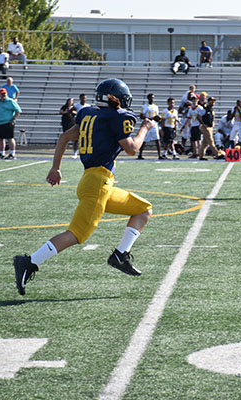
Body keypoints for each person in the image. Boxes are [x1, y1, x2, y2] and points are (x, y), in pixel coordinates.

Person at [12, 78, 154, 296]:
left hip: (95, 181)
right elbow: (132, 149)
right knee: (77, 234)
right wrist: (145, 127)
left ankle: (120, 255)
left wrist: (55, 168)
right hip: (98, 184)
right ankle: (29, 261)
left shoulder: (88, 114)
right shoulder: (119, 116)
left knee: (143, 210)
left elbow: (64, 138)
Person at [137, 93, 164, 160]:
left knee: (157, 139)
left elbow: (157, 116)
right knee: (144, 140)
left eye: (153, 97)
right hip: (147, 124)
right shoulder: (145, 106)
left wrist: (158, 119)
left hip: (154, 125)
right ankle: (140, 154)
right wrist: (151, 118)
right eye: (151, 97)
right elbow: (141, 115)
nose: (152, 99)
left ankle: (159, 155)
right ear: (148, 98)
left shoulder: (156, 107)